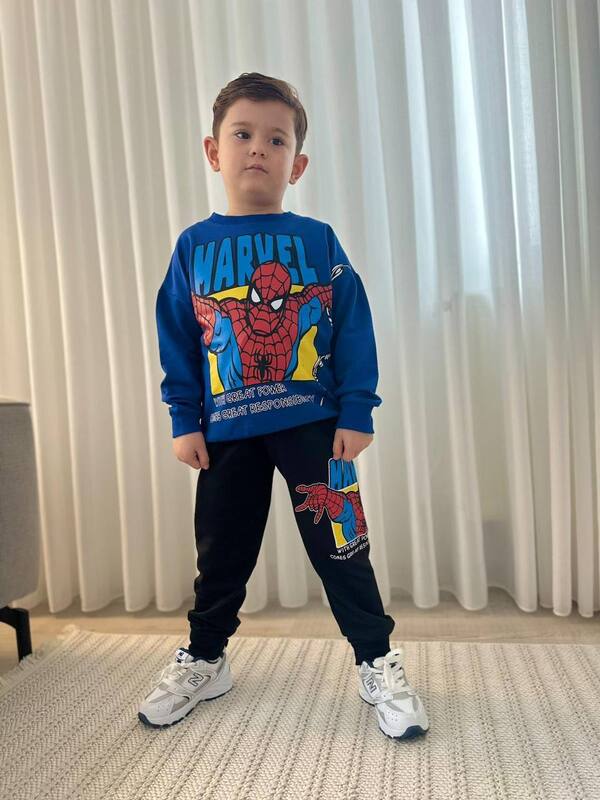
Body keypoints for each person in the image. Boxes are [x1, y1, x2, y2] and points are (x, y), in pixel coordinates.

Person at [138, 72, 429, 740]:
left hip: (315, 425)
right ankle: (206, 658)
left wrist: (357, 411)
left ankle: (376, 659)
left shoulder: (317, 239)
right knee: (221, 553)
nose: (258, 149)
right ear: (214, 151)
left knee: (343, 546)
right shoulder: (194, 246)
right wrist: (183, 418)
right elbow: (177, 335)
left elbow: (352, 325)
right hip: (226, 430)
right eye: (242, 134)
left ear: (297, 164)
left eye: (277, 139)